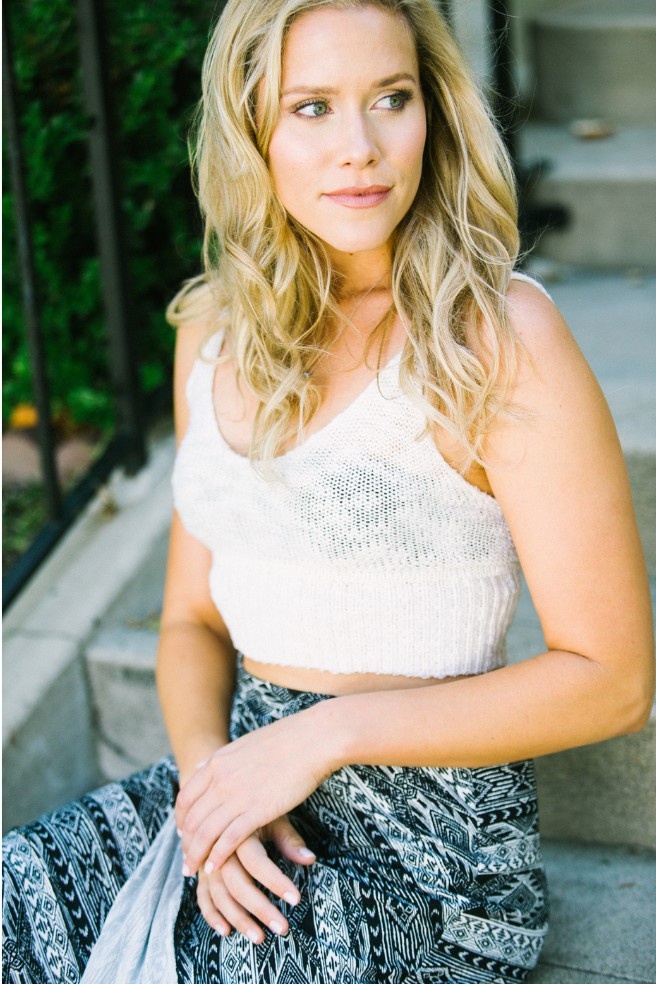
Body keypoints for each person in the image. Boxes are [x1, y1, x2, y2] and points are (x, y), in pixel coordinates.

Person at [3, 0, 654, 981]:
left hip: (432, 853)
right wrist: (211, 795)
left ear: (432, 110)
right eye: (311, 107)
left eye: (390, 98)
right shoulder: (212, 330)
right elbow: (189, 621)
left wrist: (319, 739)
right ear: (249, 128)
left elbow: (613, 680)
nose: (360, 147)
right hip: (245, 778)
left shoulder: (494, 337)